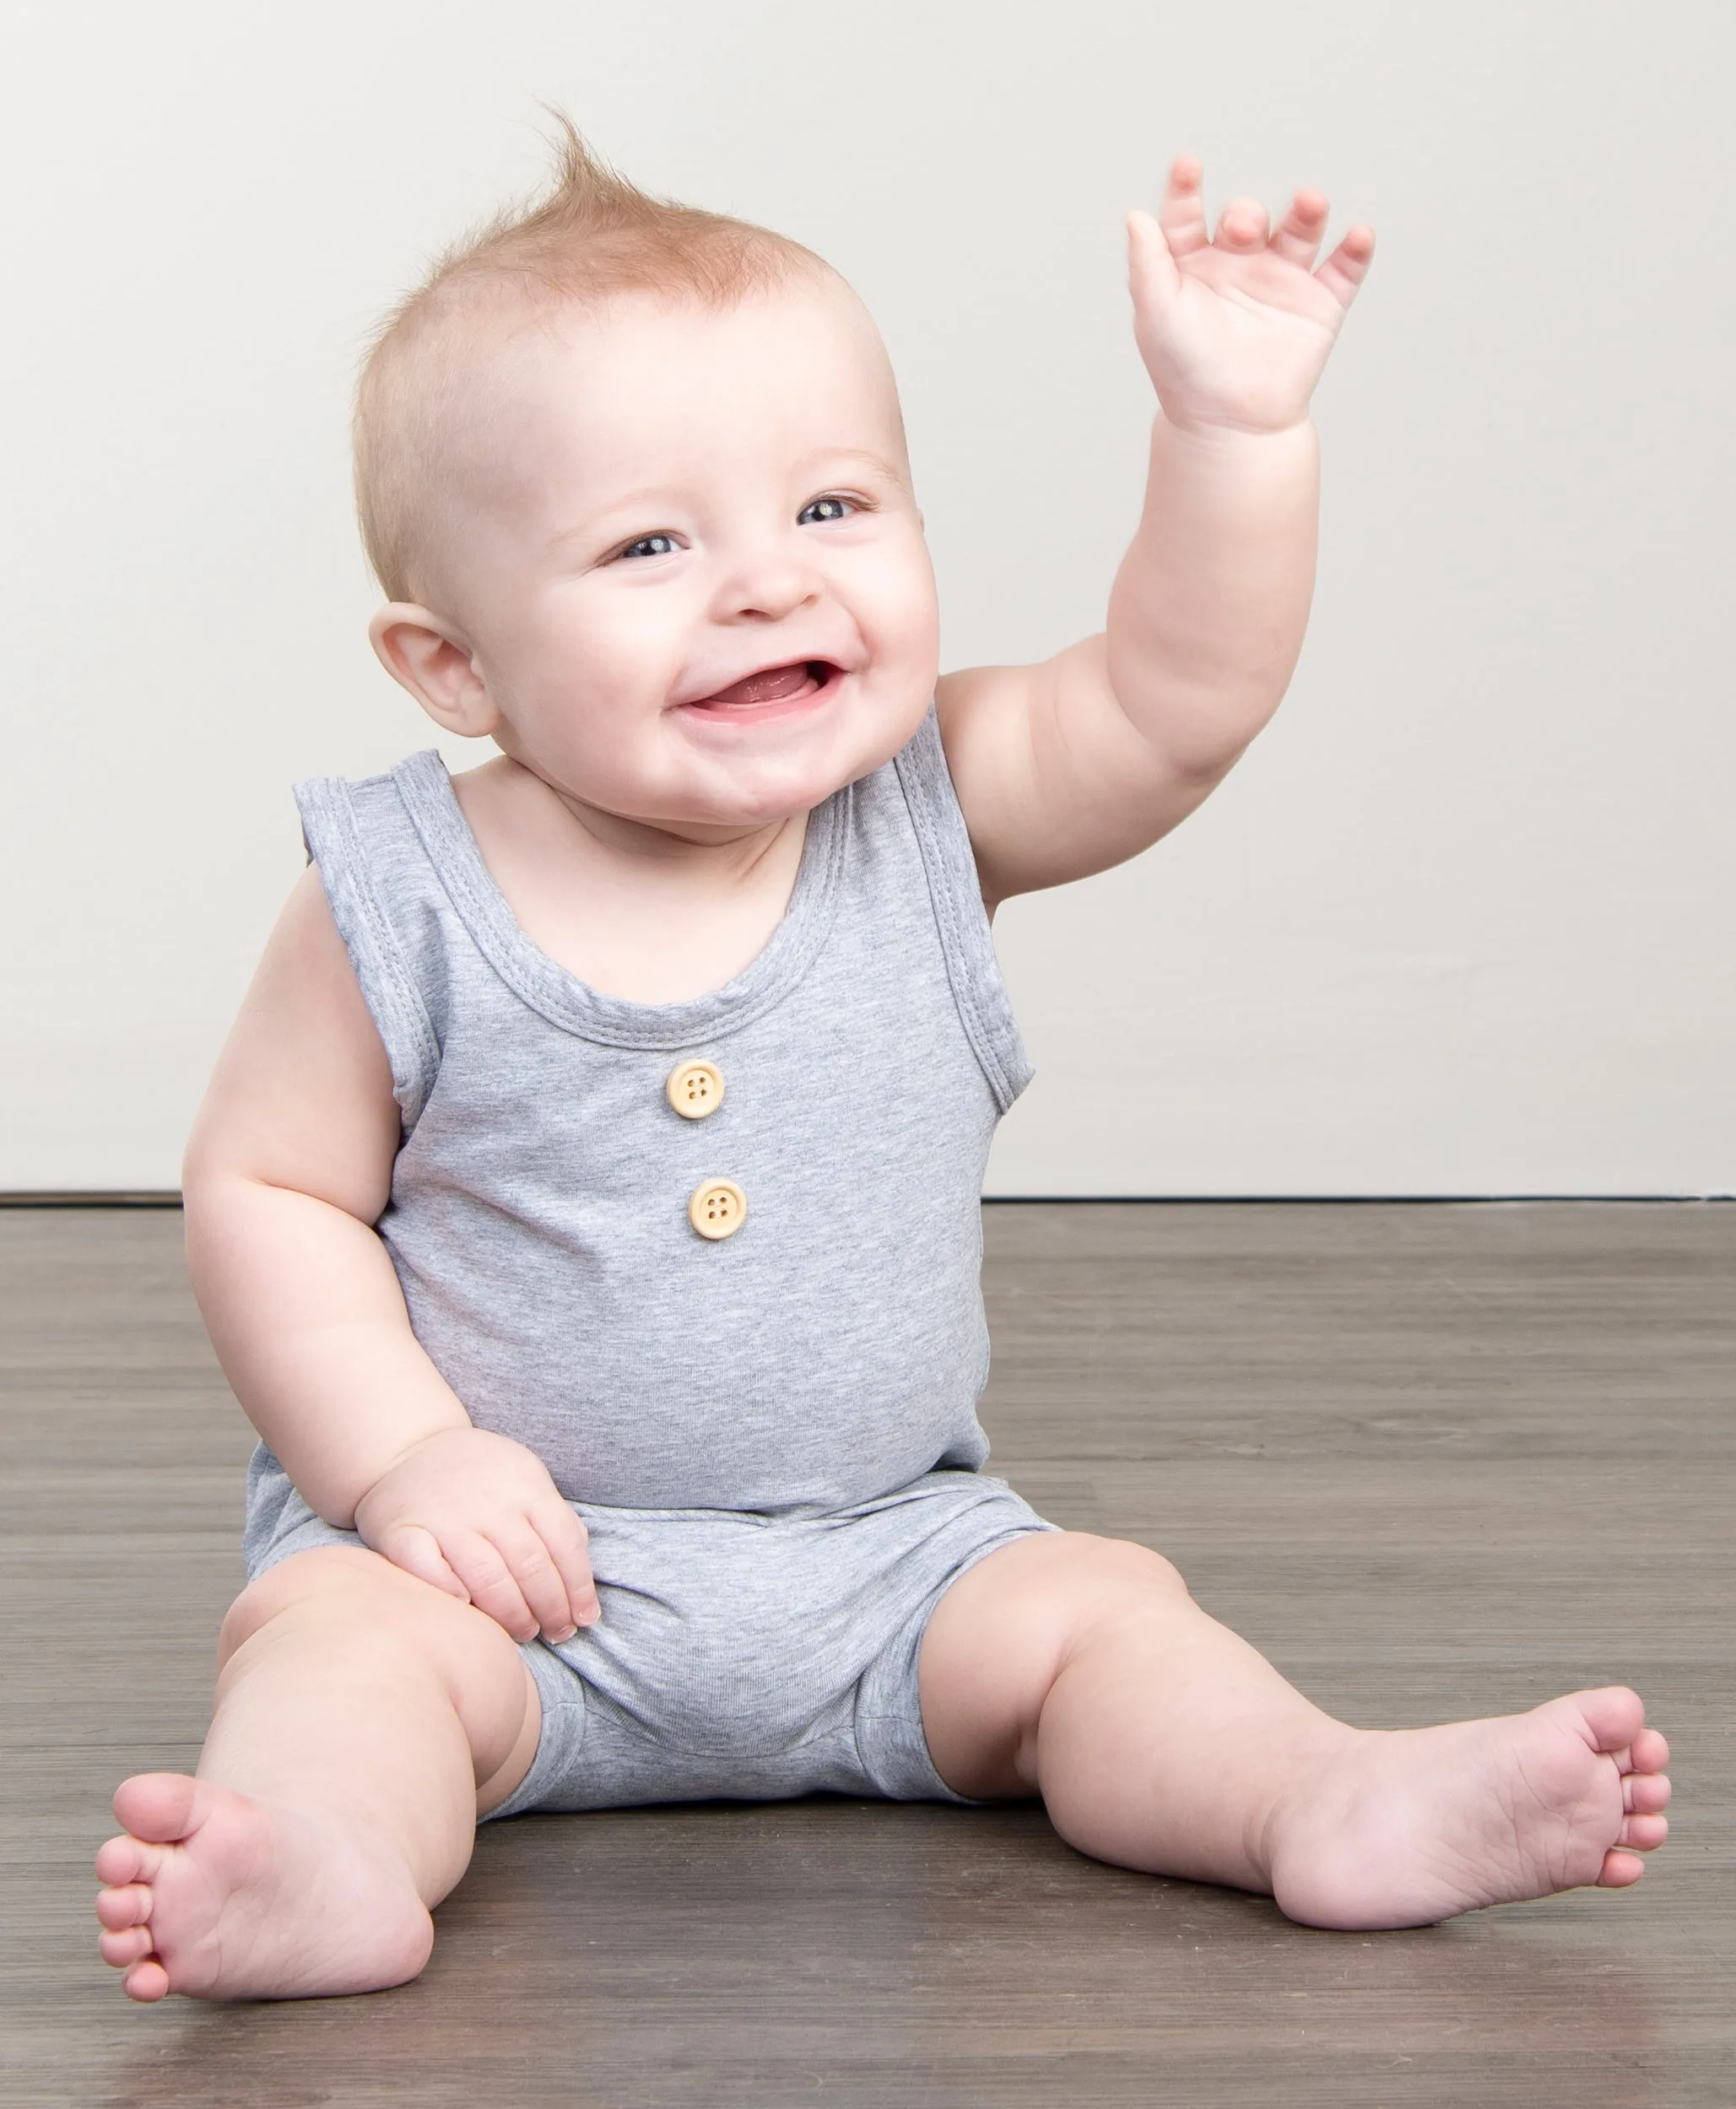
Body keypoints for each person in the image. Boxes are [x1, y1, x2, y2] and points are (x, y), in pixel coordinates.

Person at [95, 129, 1669, 2002]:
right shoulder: (396, 892)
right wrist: (406, 1462)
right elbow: (272, 1192)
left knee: (1103, 1623)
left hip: (891, 1562)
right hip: (497, 1589)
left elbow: (1174, 697)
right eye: (650, 544)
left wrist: (1232, 437)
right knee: (331, 1661)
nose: (767, 585)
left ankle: (1314, 1803)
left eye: (833, 508)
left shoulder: (929, 813)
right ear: (454, 668)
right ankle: (332, 1866)